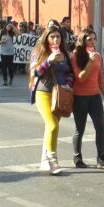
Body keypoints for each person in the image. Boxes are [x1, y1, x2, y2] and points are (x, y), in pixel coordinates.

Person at [29, 25, 74, 175]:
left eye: (58, 37)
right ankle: (53, 160)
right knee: (52, 125)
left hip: (60, 94)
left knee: (51, 128)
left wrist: (68, 84)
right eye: (52, 36)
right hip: (43, 92)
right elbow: (35, 72)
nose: (55, 39)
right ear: (46, 38)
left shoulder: (65, 53)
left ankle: (44, 160)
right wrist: (49, 61)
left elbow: (69, 73)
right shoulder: (39, 51)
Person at [71, 30, 104, 169]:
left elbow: (100, 78)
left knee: (100, 127)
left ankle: (101, 158)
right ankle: (77, 158)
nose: (93, 42)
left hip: (95, 96)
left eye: (94, 39)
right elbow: (81, 78)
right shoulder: (76, 55)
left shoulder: (97, 56)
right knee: (80, 129)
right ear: (82, 41)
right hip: (79, 97)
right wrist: (90, 60)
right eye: (89, 39)